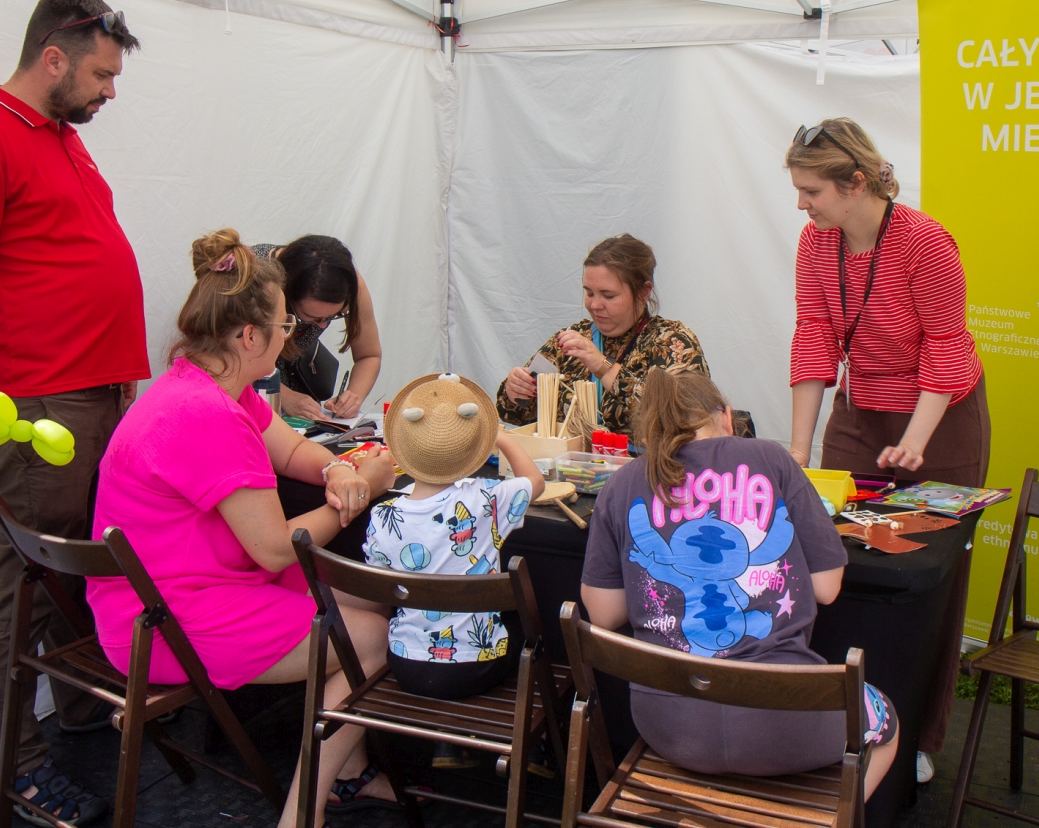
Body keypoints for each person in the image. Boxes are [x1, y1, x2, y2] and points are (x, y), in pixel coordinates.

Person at [0, 0, 146, 823]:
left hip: (97, 391)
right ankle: (17, 763)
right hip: (37, 399)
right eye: (101, 75)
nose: (109, 92)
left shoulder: (60, 136)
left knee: (79, 564)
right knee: (27, 575)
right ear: (53, 58)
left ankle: (82, 710)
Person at [86, 230, 400, 828]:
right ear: (250, 336)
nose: (291, 338)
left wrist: (338, 469)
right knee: (373, 639)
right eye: (286, 325)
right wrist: (361, 492)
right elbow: (277, 550)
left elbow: (292, 452)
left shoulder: (207, 384)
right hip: (164, 622)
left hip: (181, 591)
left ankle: (349, 776)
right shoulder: (206, 414)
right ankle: (303, 811)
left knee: (370, 596)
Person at [784, 117, 987, 782]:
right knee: (832, 552)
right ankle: (838, 711)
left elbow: (947, 348)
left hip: (939, 416)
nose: (802, 204)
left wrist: (915, 442)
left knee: (930, 571)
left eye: (812, 190)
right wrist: (799, 449)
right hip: (860, 409)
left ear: (856, 183)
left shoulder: (925, 241)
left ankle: (920, 735)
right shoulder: (816, 242)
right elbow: (815, 334)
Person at [581, 369, 898, 790]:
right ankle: (833, 818)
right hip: (785, 724)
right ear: (726, 416)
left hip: (671, 728)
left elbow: (602, 615)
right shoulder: (771, 458)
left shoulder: (621, 483)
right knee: (885, 720)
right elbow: (827, 588)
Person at [367, 373, 541, 696]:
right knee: (526, 624)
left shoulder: (382, 515)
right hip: (479, 666)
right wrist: (502, 438)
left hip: (406, 662)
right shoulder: (486, 498)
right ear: (476, 450)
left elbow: (379, 586)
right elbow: (535, 482)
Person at [496, 234, 708, 436]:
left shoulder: (671, 341)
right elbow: (514, 414)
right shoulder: (573, 340)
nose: (595, 305)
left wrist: (603, 366)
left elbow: (681, 419)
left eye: (608, 295)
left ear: (644, 292)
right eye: (589, 293)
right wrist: (515, 392)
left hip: (646, 463)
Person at [251, 236, 382, 421]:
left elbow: (369, 355)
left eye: (334, 315)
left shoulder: (349, 283)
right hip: (246, 384)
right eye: (313, 317)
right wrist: (284, 395)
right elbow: (225, 359)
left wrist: (353, 397)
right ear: (287, 296)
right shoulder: (254, 281)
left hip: (294, 385)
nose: (322, 325)